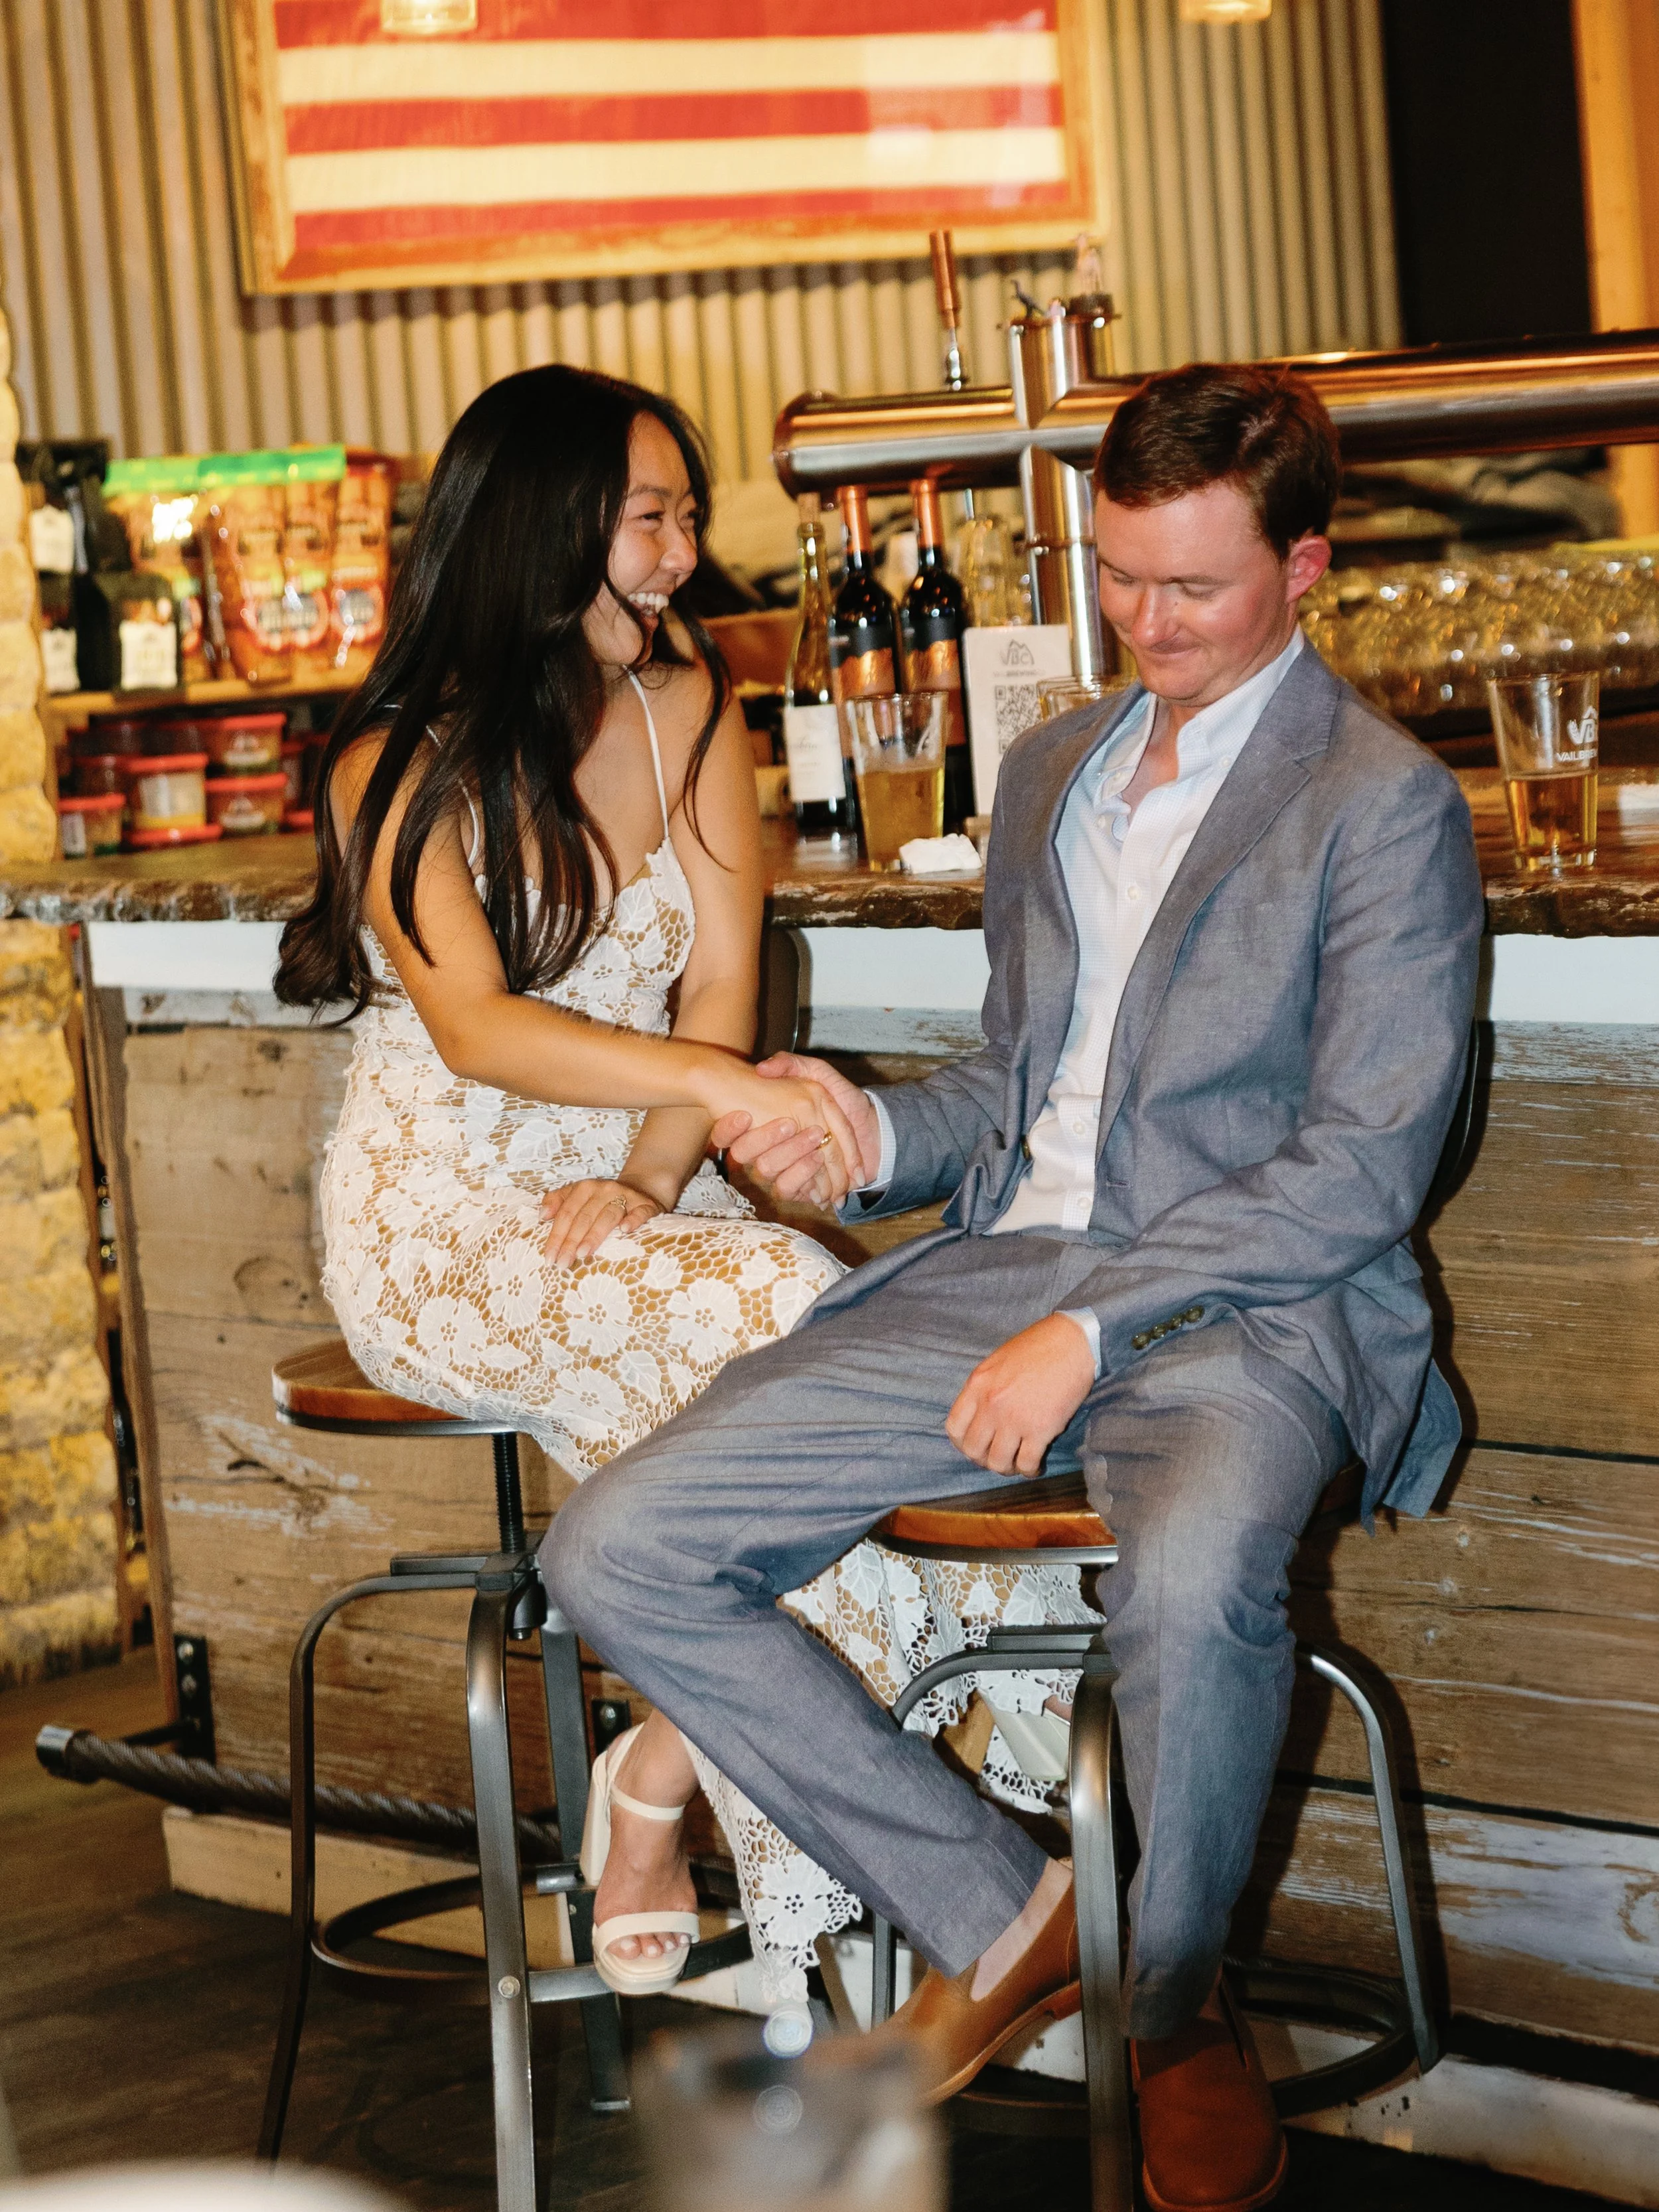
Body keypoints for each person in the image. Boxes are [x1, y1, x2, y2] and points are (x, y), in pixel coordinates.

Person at [543, 362, 1484, 2212]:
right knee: (619, 1547)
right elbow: (1025, 1091)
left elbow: (1361, 1167)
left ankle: (1171, 2006)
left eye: (1193, 587)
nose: (1148, 623)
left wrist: (1095, 1323)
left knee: (1202, 1569)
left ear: (1304, 564)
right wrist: (869, 1140)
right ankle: (1029, 1913)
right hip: (1002, 1273)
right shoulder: (1052, 762)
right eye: (1123, 577)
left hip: (1251, 1312)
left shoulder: (1381, 806)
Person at [273, 362, 1092, 2012]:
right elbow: (481, 1027)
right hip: (441, 1220)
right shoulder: (391, 756)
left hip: (629, 1205)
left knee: (812, 1334)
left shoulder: (699, 699)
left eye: (680, 513)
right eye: (648, 516)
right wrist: (714, 1100)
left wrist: (658, 1171)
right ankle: (915, 1881)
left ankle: (653, 1780)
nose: (679, 549)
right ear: (543, 526)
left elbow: (723, 984)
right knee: (800, 1310)